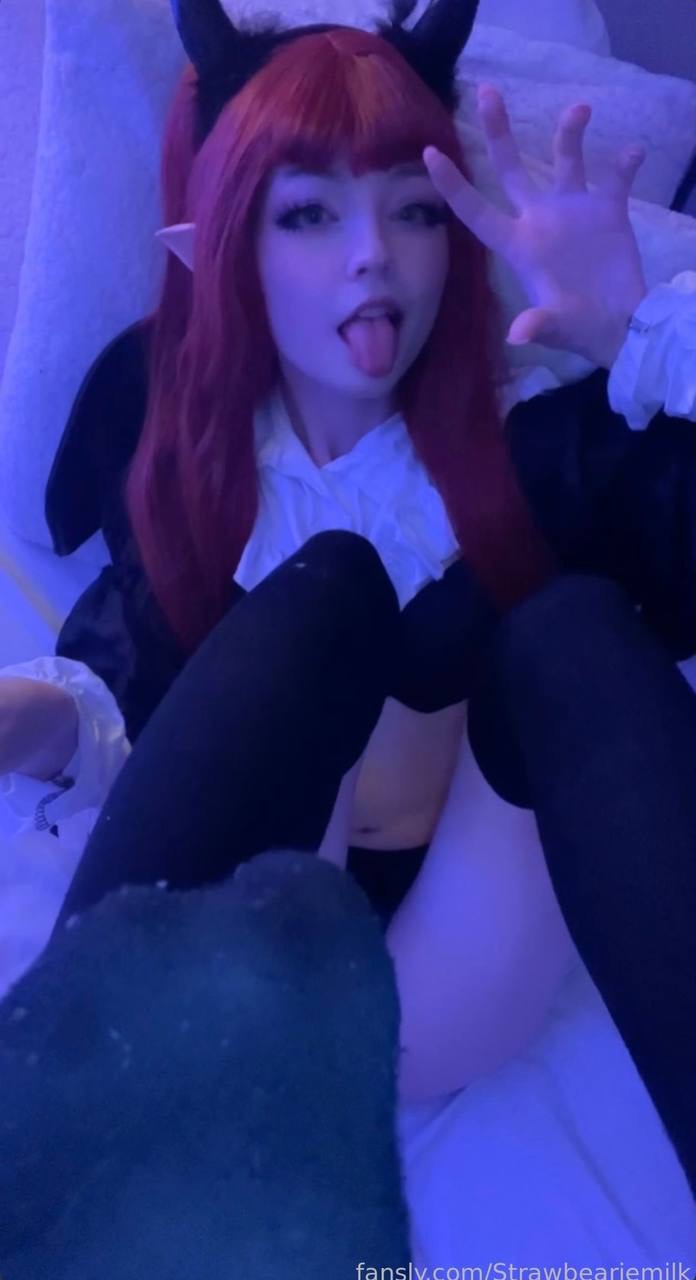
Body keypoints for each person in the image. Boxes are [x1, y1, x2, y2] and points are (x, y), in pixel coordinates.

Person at [0, 0, 695, 1263]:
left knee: (571, 629)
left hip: (453, 966)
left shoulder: (541, 432)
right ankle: (40, 1159)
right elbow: (129, 679)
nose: (374, 255)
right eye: (310, 213)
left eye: (414, 210)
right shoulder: (186, 452)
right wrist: (23, 714)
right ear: (220, 243)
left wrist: (638, 332)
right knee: (328, 596)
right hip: (243, 956)